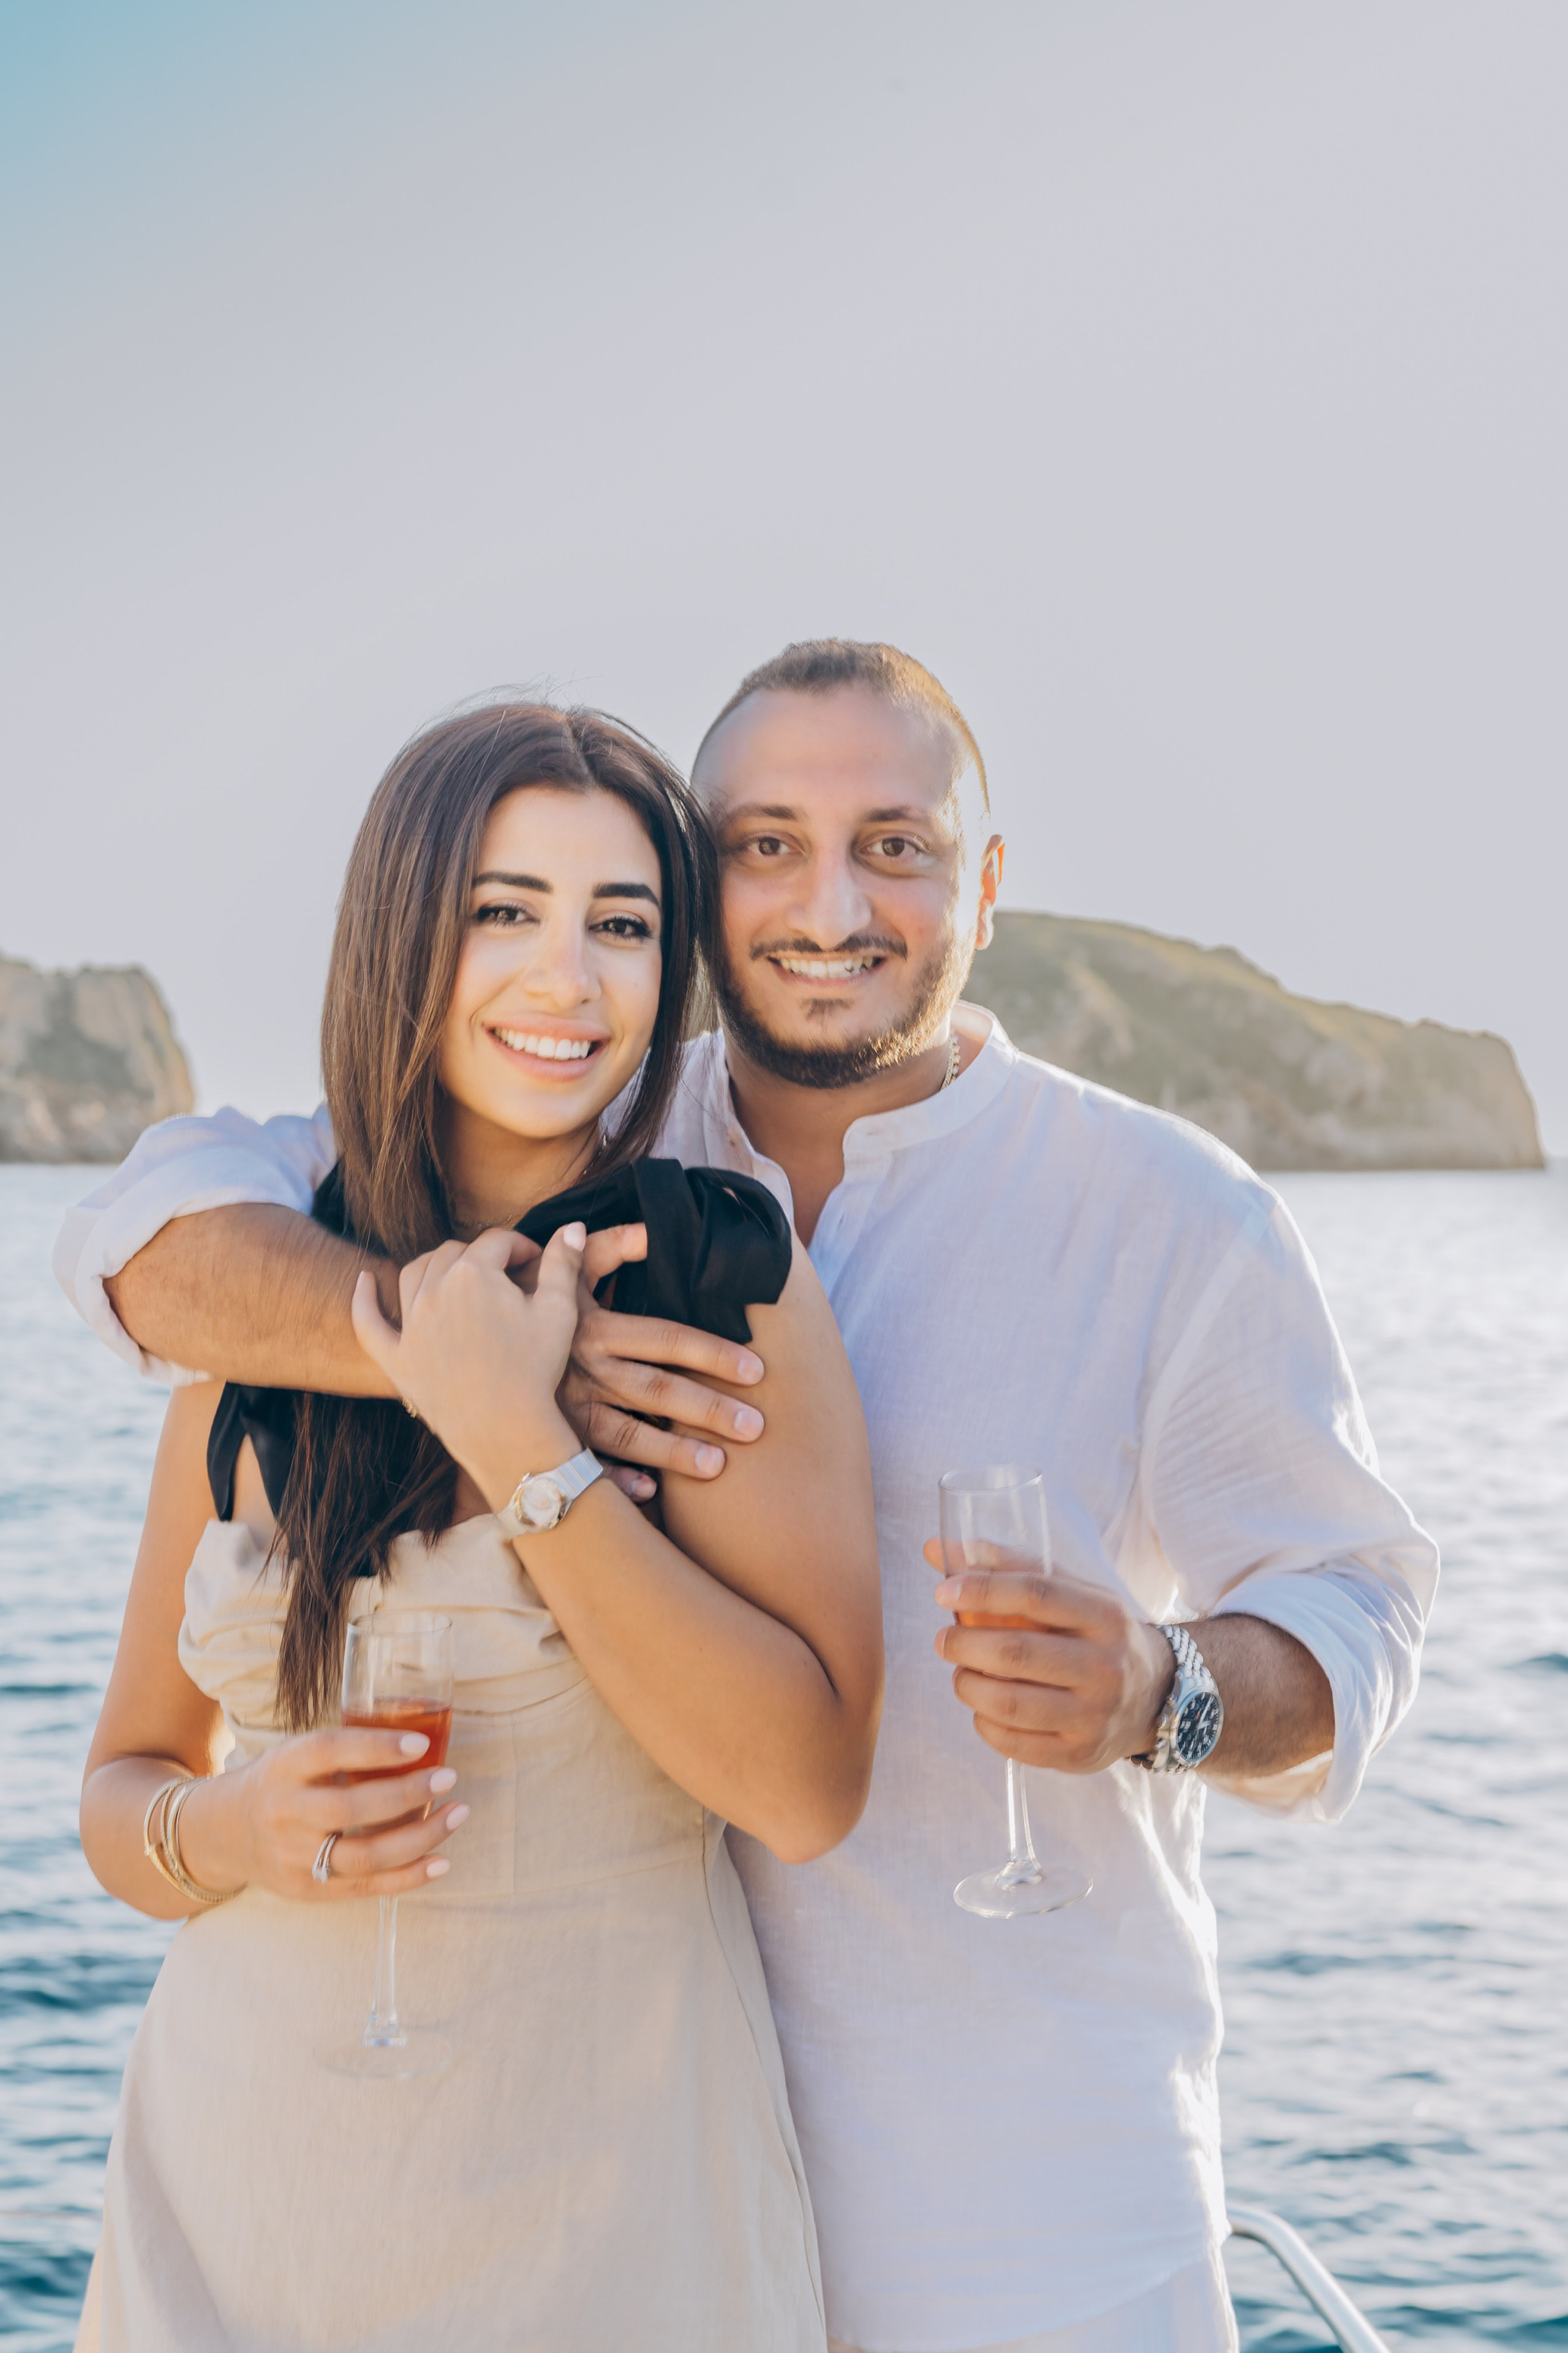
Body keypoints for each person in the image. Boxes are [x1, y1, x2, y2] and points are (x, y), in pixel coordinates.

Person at [61, 643, 1439, 2353]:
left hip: (1008, 2200)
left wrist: (1169, 1694)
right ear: (710, 889)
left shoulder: (1155, 1213)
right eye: (767, 843)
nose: (831, 902)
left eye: (898, 844)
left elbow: (1360, 1613)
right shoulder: (503, 1173)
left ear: (985, 885)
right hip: (473, 2162)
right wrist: (445, 1350)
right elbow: (144, 1246)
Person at [70, 703, 883, 2352]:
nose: (567, 980)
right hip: (235, 2224)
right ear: (402, 936)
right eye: (503, 910)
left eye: (625, 925)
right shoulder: (267, 1296)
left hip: (608, 2243)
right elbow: (125, 1780)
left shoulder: (718, 1292)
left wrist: (530, 1451)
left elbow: (807, 1787)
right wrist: (230, 1834)